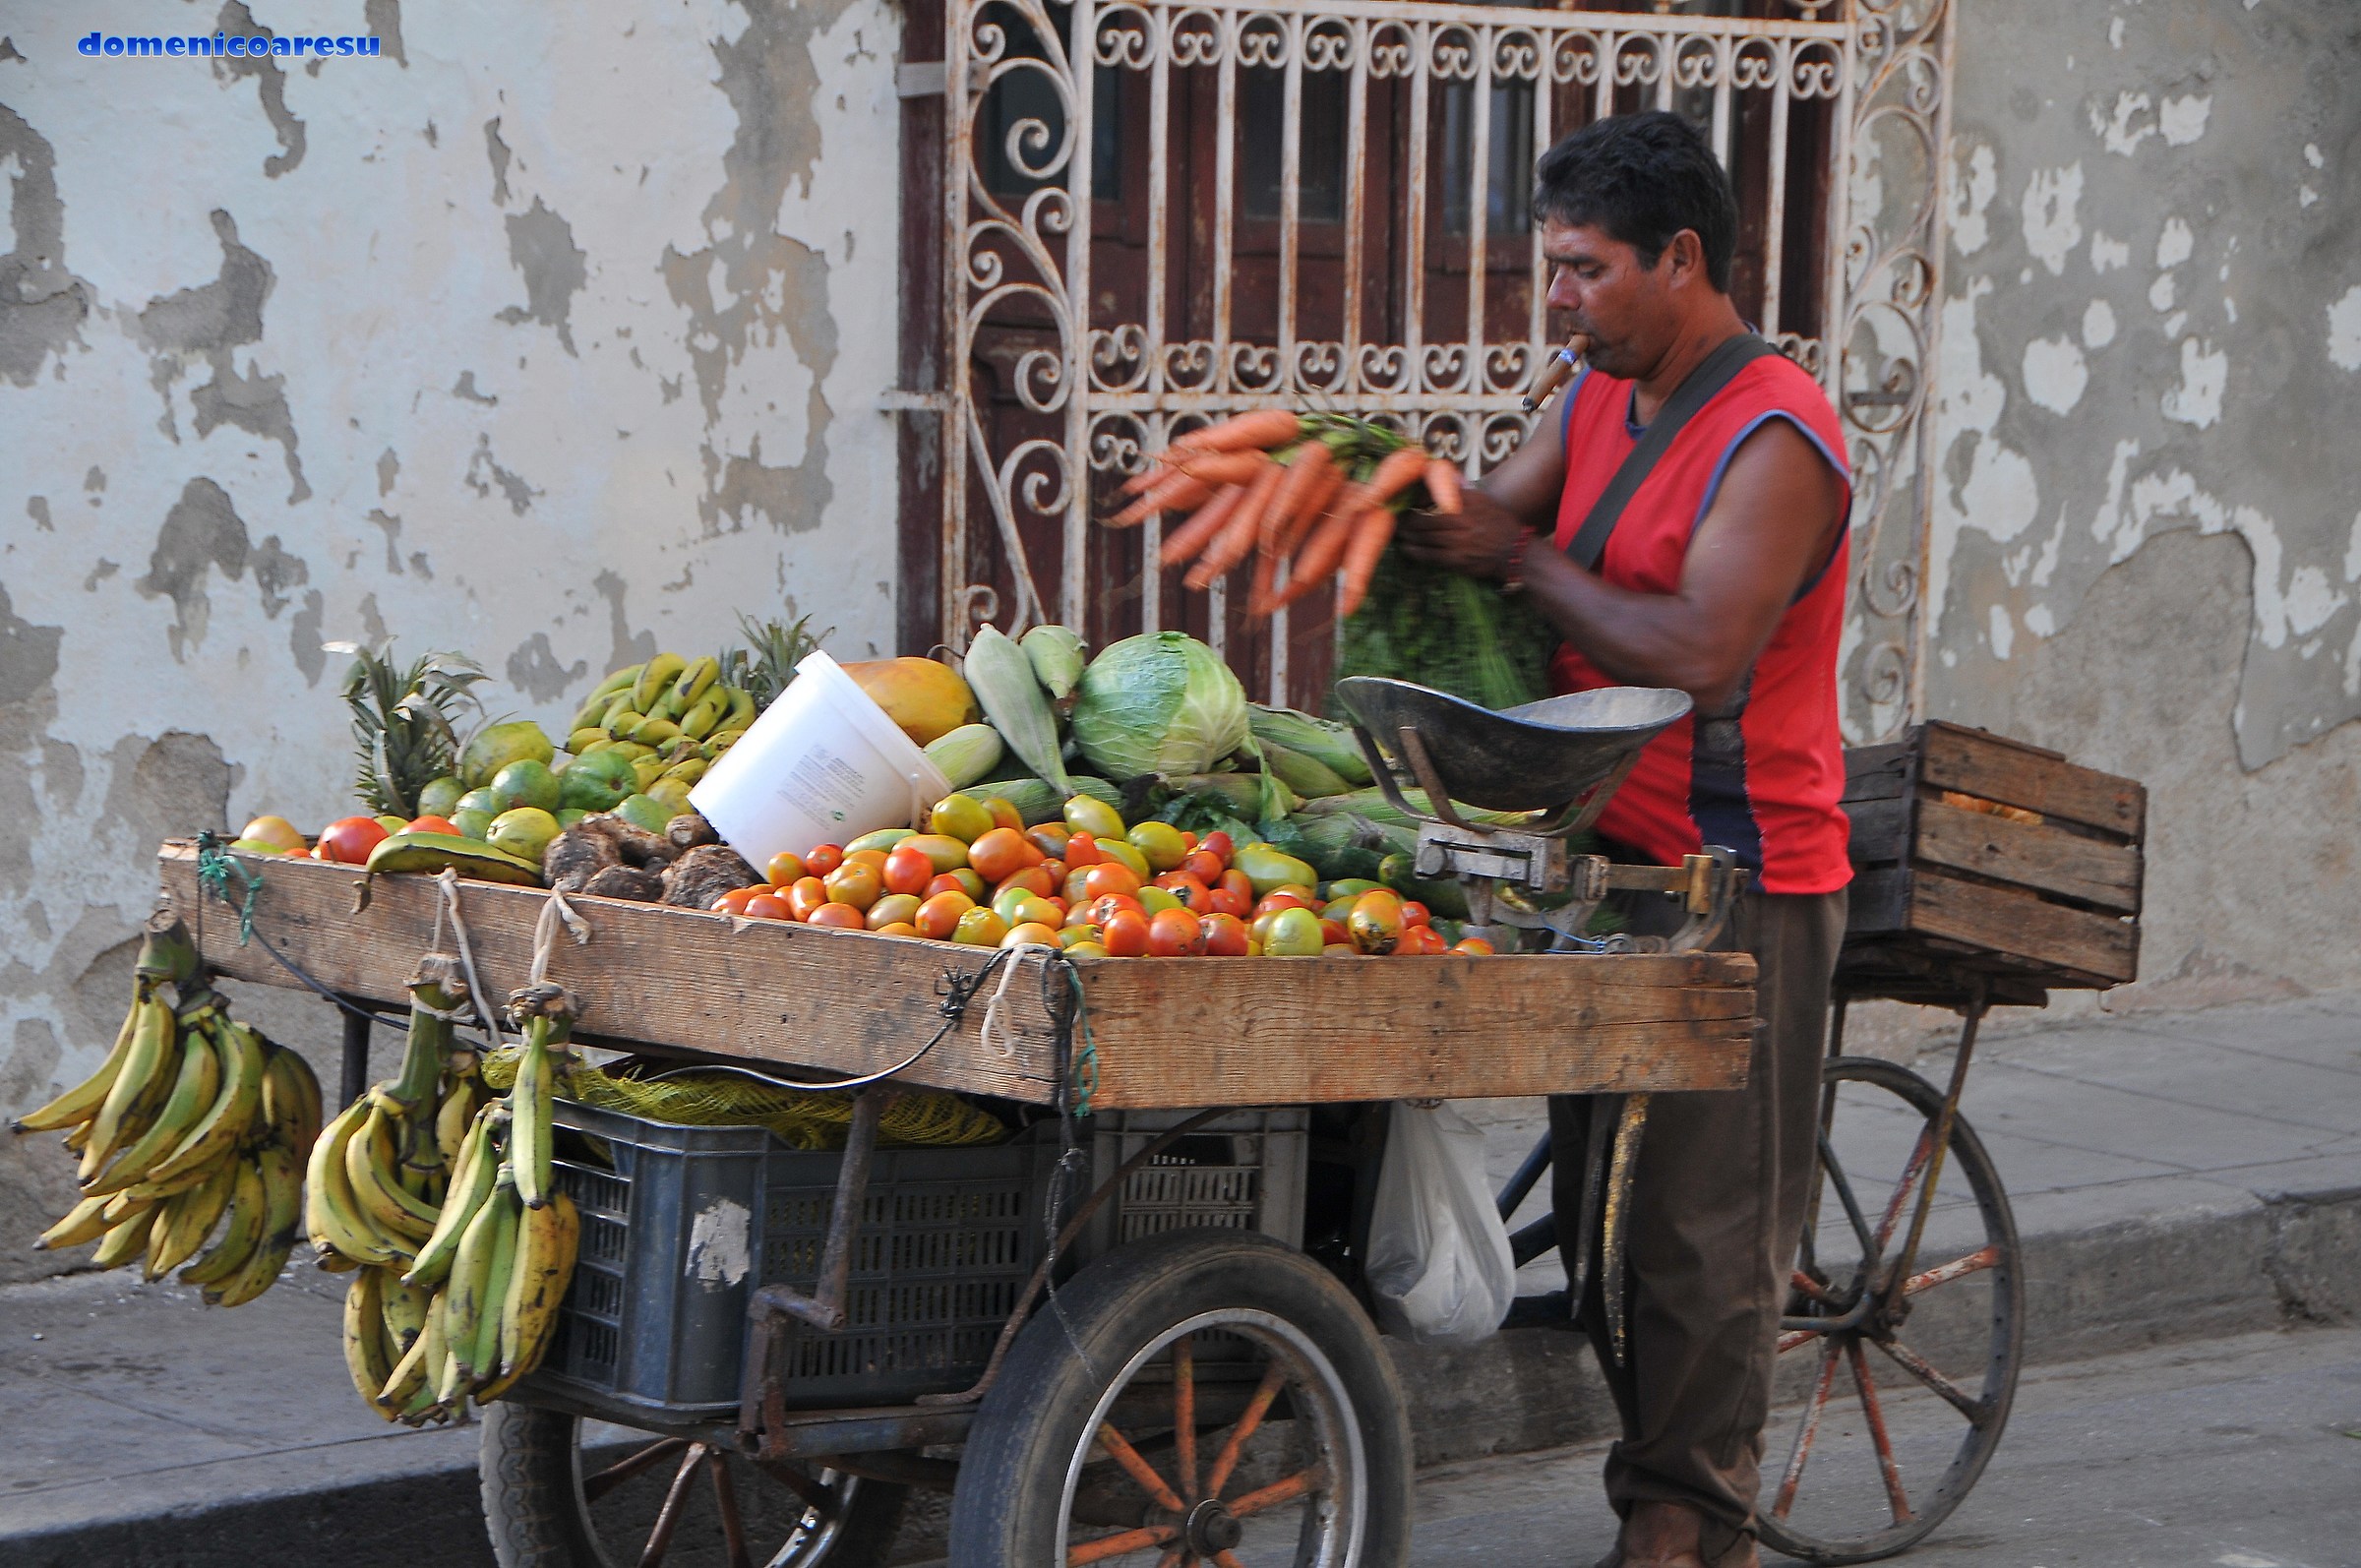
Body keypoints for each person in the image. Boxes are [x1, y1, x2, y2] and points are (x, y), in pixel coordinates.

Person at [1397, 110, 1852, 1568]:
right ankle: (1663, 1485)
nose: (1561, 300)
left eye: (1586, 270)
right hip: (1602, 862)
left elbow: (1704, 652)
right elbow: (1494, 516)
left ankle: (1684, 1524)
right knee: (1608, 1220)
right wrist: (1353, 490)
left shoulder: (1776, 433)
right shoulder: (1600, 391)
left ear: (1682, 258)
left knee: (1701, 1231)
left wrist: (1525, 560)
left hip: (1741, 875)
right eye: (1552, 269)